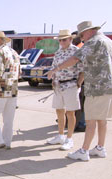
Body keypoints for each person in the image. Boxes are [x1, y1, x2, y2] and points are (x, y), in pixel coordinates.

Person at [47, 21, 112, 161]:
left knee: (90, 121)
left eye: (82, 35)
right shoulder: (107, 40)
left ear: (89, 31)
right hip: (106, 86)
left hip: (97, 87)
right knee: (101, 119)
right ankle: (100, 148)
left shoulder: (93, 42)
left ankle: (84, 151)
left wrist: (55, 69)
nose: (82, 39)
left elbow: (75, 59)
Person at [46, 29, 84, 151]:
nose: (61, 42)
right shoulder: (58, 52)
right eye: (60, 40)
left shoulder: (76, 51)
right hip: (58, 85)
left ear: (70, 39)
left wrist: (78, 83)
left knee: (70, 112)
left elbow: (83, 69)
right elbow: (53, 67)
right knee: (59, 111)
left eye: (64, 39)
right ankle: (61, 135)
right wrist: (53, 80)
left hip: (70, 84)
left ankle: (69, 139)